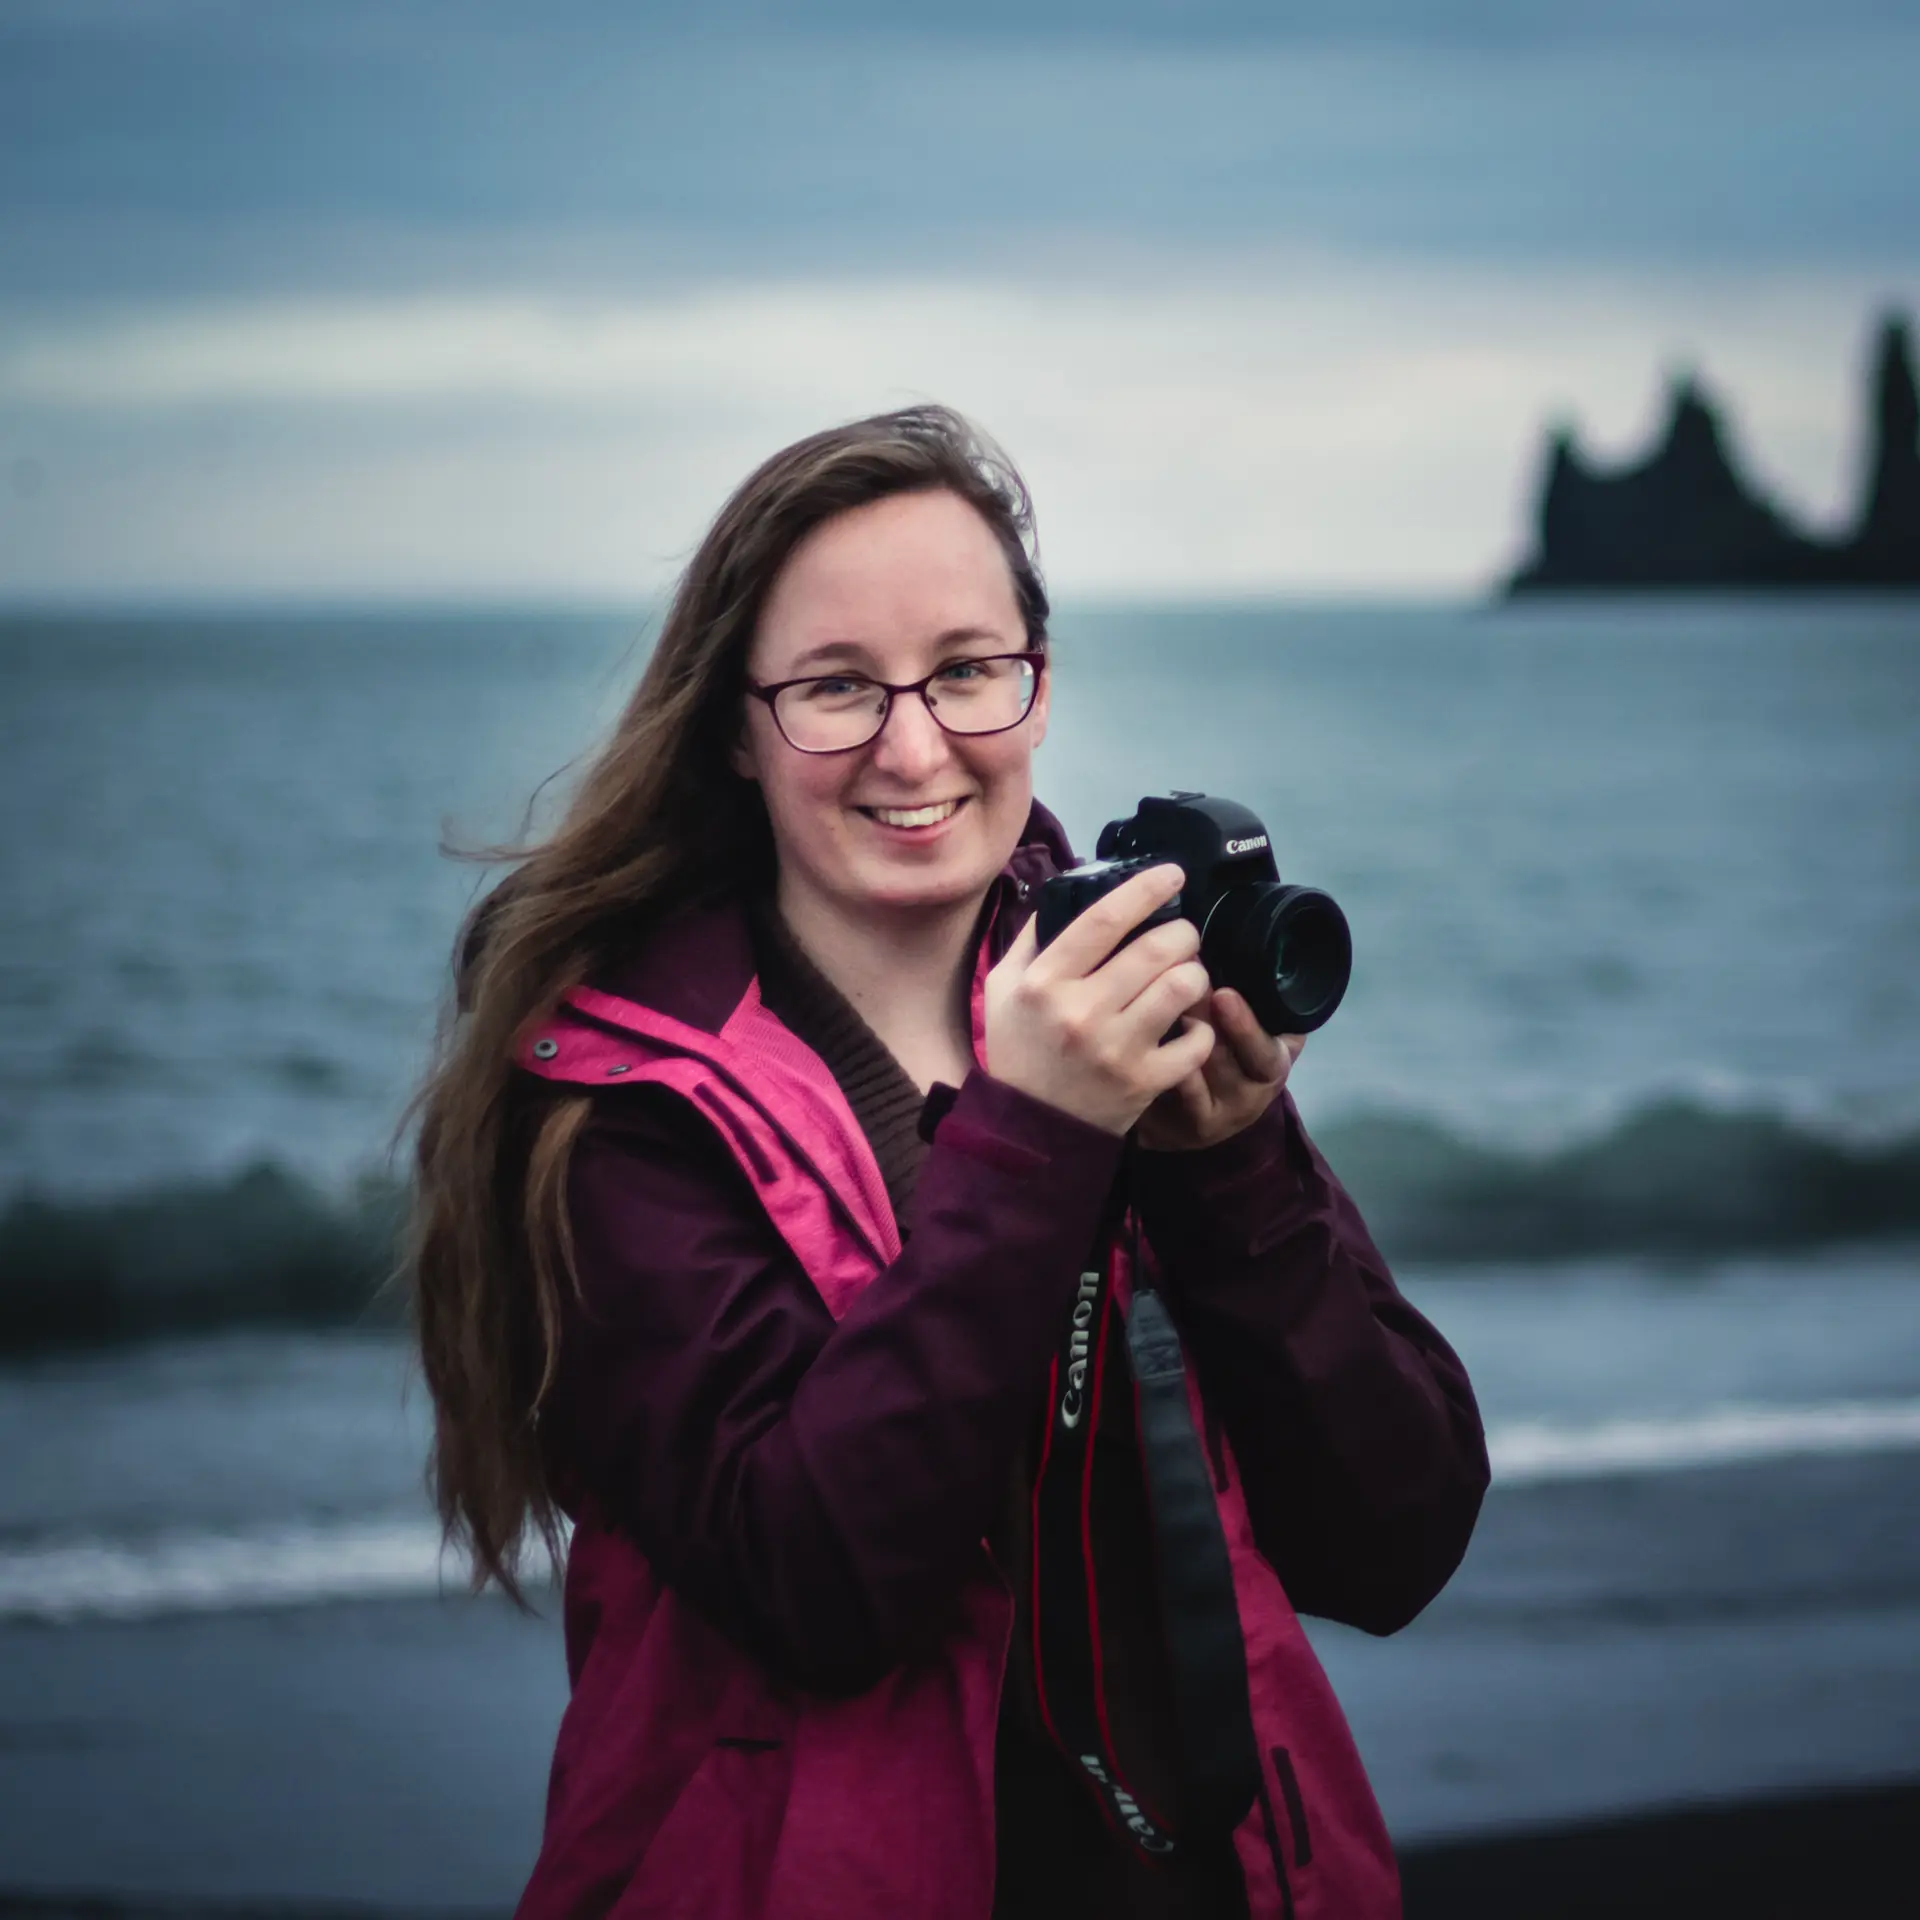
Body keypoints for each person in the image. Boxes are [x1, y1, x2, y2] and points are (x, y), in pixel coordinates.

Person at [407, 407, 1489, 1920]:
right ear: (737, 722)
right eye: (838, 687)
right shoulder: (621, 1109)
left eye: (969, 671)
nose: (915, 747)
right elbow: (816, 1584)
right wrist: (1038, 1136)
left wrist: (1232, 1163)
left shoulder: (1120, 1008)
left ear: (1039, 687)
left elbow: (1401, 1535)